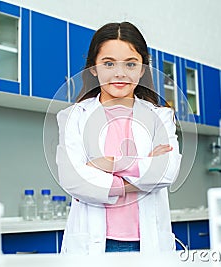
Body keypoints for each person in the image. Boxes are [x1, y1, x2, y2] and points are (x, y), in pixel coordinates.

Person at [56, 21, 182, 254]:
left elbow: (166, 171)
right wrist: (142, 169)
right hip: (95, 245)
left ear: (142, 69)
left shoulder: (161, 116)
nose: (120, 73)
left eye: (131, 64)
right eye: (109, 63)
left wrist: (108, 164)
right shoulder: (73, 117)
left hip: (149, 244)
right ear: (93, 68)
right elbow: (74, 179)